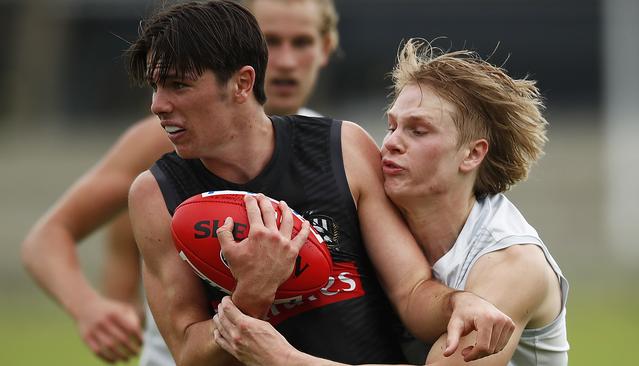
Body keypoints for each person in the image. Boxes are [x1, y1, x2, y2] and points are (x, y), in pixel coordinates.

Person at [126, 2, 514, 366]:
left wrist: (457, 304)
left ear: (243, 83)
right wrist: (253, 293)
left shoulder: (343, 147)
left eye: (179, 86)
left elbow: (411, 292)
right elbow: (189, 352)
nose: (158, 104)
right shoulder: (155, 194)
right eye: (155, 86)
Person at [212, 39, 570, 366]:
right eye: (392, 126)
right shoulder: (374, 211)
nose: (393, 142)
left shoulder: (512, 265)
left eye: (418, 130)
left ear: (472, 154)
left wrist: (283, 359)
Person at [20, 0, 339, 364]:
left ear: (326, 47)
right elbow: (49, 238)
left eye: (301, 42)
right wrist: (90, 307)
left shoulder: (340, 148)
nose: (284, 61)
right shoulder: (168, 140)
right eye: (271, 41)